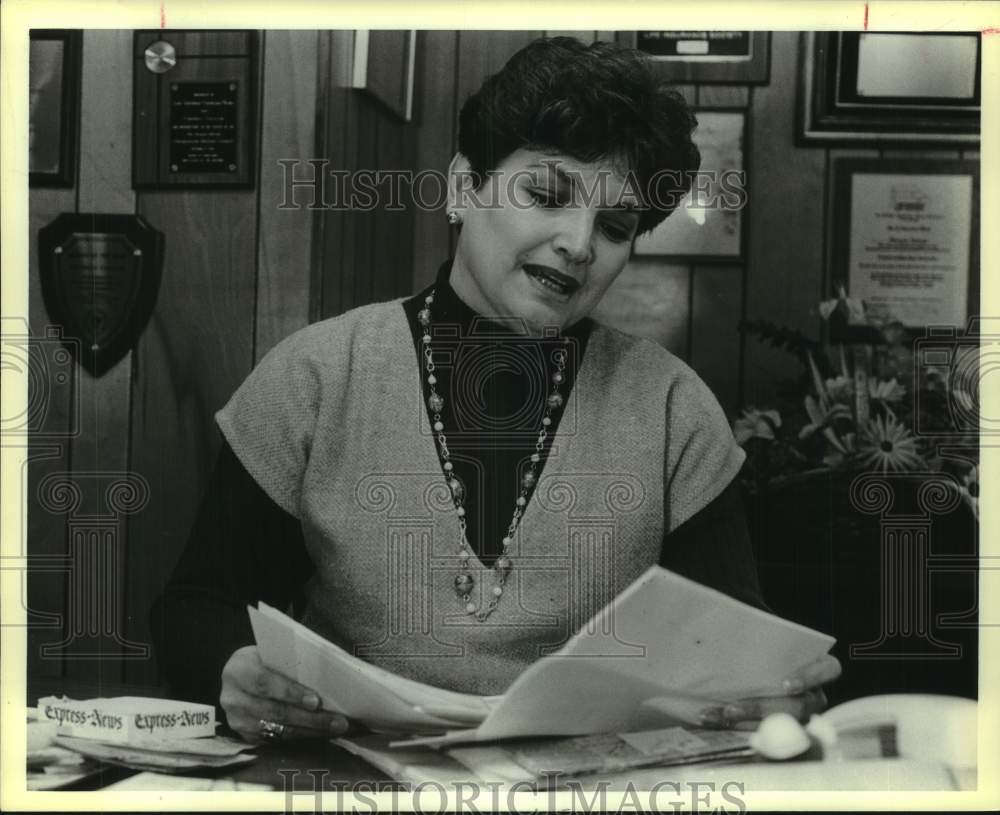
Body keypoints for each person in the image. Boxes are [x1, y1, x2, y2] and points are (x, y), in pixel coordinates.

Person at [150, 36, 839, 744]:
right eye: (547, 194)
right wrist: (232, 668)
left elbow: (737, 656)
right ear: (461, 187)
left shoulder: (674, 412)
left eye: (615, 225)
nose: (579, 243)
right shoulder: (316, 378)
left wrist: (767, 695)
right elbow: (194, 606)